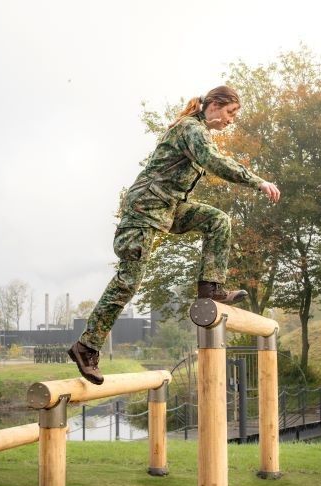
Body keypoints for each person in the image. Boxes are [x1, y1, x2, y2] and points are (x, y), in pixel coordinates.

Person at [68, 85, 280, 385]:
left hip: (168, 208)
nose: (231, 121)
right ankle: (86, 346)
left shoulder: (198, 130)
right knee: (129, 282)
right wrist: (257, 182)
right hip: (144, 209)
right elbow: (214, 161)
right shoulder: (190, 128)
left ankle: (211, 288)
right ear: (216, 105)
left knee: (217, 220)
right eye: (230, 113)